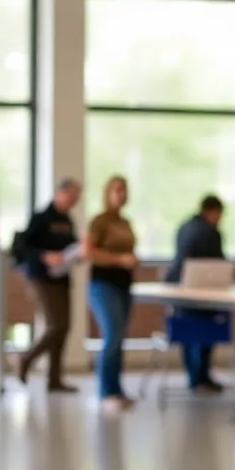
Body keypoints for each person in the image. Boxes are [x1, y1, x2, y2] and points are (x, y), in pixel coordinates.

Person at [16, 177, 82, 392]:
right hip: (41, 277)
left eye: (77, 198)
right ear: (60, 193)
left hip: (62, 277)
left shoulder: (68, 220)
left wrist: (77, 253)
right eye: (71, 196)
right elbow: (23, 246)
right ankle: (27, 358)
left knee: (64, 327)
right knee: (56, 325)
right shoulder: (41, 218)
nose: (74, 201)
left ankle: (54, 379)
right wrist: (44, 255)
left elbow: (71, 246)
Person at [84, 176, 138, 416]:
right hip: (103, 284)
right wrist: (119, 259)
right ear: (107, 193)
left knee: (120, 338)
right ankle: (106, 392)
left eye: (123, 190)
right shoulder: (100, 222)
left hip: (124, 285)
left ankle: (117, 390)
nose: (120, 194)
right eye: (116, 190)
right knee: (112, 334)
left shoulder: (125, 222)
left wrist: (132, 260)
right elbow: (89, 252)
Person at [165, 195, 227, 393]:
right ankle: (201, 378)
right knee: (203, 334)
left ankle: (194, 377)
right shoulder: (210, 232)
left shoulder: (185, 227)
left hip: (180, 291)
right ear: (213, 211)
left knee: (188, 334)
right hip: (203, 292)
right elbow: (218, 263)